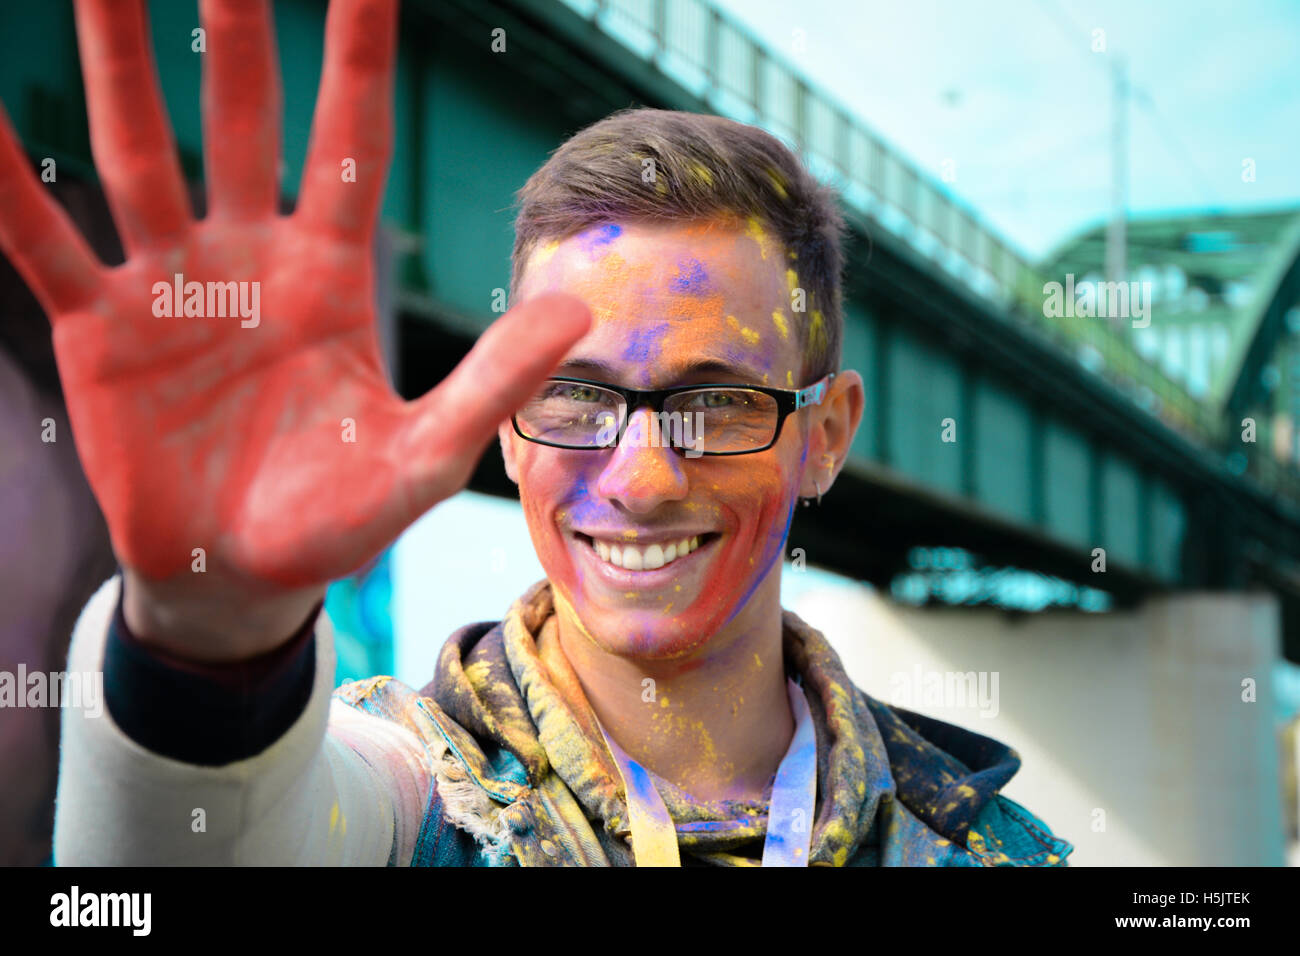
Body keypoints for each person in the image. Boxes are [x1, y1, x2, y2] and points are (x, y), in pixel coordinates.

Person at [1, 0, 1073, 866]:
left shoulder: (1001, 849)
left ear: (825, 434)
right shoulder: (407, 794)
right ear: (505, 428)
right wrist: (207, 633)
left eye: (718, 402)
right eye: (574, 396)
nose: (642, 478)